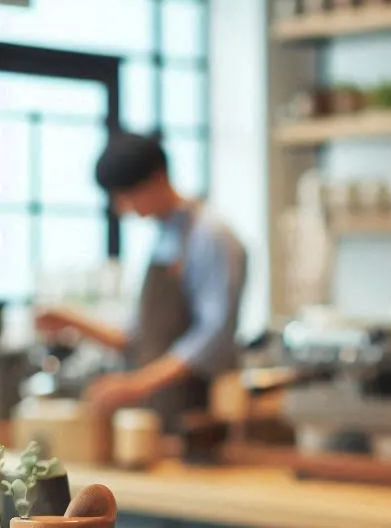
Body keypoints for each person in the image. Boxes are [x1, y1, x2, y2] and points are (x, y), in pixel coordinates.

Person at [36, 132, 247, 432]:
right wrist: (69, 319)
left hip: (199, 417)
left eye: (126, 194)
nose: (123, 207)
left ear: (158, 178)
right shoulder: (163, 237)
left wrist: (137, 383)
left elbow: (215, 335)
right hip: (159, 414)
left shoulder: (211, 235)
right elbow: (135, 336)